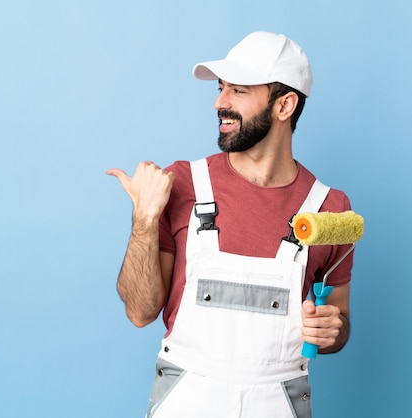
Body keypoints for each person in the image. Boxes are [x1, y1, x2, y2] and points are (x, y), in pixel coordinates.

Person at [107, 31, 355, 418]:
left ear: (285, 105)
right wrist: (144, 219)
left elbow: (338, 325)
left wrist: (331, 331)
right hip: (186, 399)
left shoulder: (329, 209)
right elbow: (140, 313)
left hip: (279, 403)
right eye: (221, 89)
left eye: (238, 90)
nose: (220, 103)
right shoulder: (184, 183)